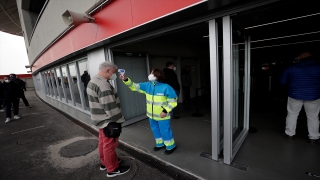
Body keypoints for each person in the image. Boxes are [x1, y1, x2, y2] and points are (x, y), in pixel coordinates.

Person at [86, 61, 130, 177]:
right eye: (113, 72)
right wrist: (120, 120)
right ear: (108, 70)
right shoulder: (103, 85)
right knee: (110, 146)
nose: (113, 75)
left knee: (103, 143)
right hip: (108, 121)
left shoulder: (93, 80)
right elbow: (110, 106)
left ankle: (105, 163)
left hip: (99, 119)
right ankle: (113, 169)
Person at [120, 68, 178, 155]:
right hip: (151, 115)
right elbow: (134, 86)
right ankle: (160, 144)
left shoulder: (166, 87)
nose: (150, 75)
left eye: (152, 73)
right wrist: (126, 79)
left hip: (162, 115)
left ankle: (170, 146)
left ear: (158, 75)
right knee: (155, 130)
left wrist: (165, 111)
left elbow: (173, 101)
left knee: (165, 131)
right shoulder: (147, 85)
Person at [280, 51, 320, 144]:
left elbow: (282, 81)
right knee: (313, 116)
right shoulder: (318, 67)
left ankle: (289, 134)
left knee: (292, 114)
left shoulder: (291, 67)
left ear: (299, 58)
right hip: (313, 96)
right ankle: (314, 137)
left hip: (295, 95)